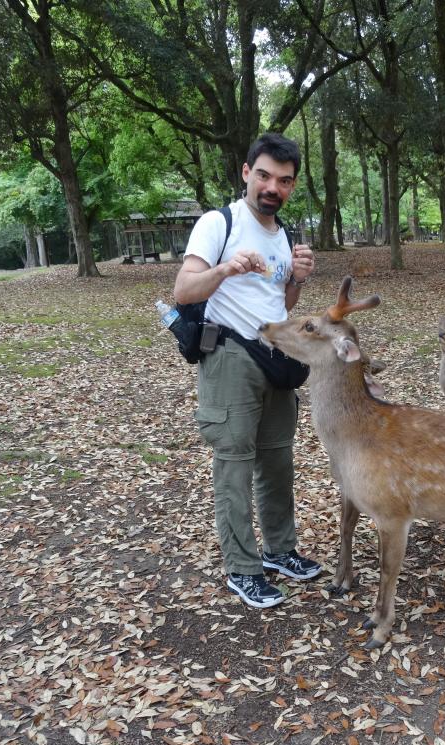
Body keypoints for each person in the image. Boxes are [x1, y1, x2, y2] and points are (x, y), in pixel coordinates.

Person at [174, 133, 320, 609]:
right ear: (245, 173)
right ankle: (243, 568)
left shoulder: (284, 236)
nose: (272, 187)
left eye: (284, 180)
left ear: (292, 186)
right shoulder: (219, 224)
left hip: (275, 357)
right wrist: (225, 270)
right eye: (264, 175)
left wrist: (296, 280)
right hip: (230, 356)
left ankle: (280, 550)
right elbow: (184, 290)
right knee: (234, 464)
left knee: (277, 460)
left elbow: (281, 303)